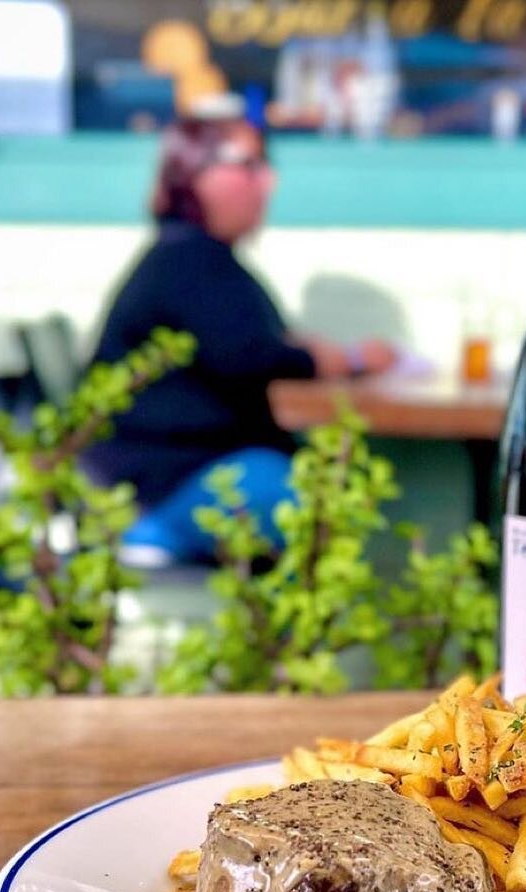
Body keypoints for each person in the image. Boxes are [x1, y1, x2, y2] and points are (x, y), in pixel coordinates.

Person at [84, 116, 397, 565]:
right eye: (249, 164)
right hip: (162, 490)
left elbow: (250, 346)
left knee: (325, 491)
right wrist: (337, 358)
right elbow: (250, 357)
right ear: (194, 173)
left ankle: (289, 630)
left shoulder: (201, 257)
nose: (268, 181)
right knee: (313, 509)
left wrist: (311, 353)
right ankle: (290, 634)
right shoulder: (188, 260)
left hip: (183, 474)